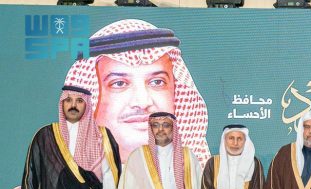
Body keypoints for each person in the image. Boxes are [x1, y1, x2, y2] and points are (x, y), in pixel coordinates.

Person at [63, 19, 209, 165]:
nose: (143, 102)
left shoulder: (200, 176)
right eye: (119, 83)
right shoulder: (68, 179)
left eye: (157, 82)